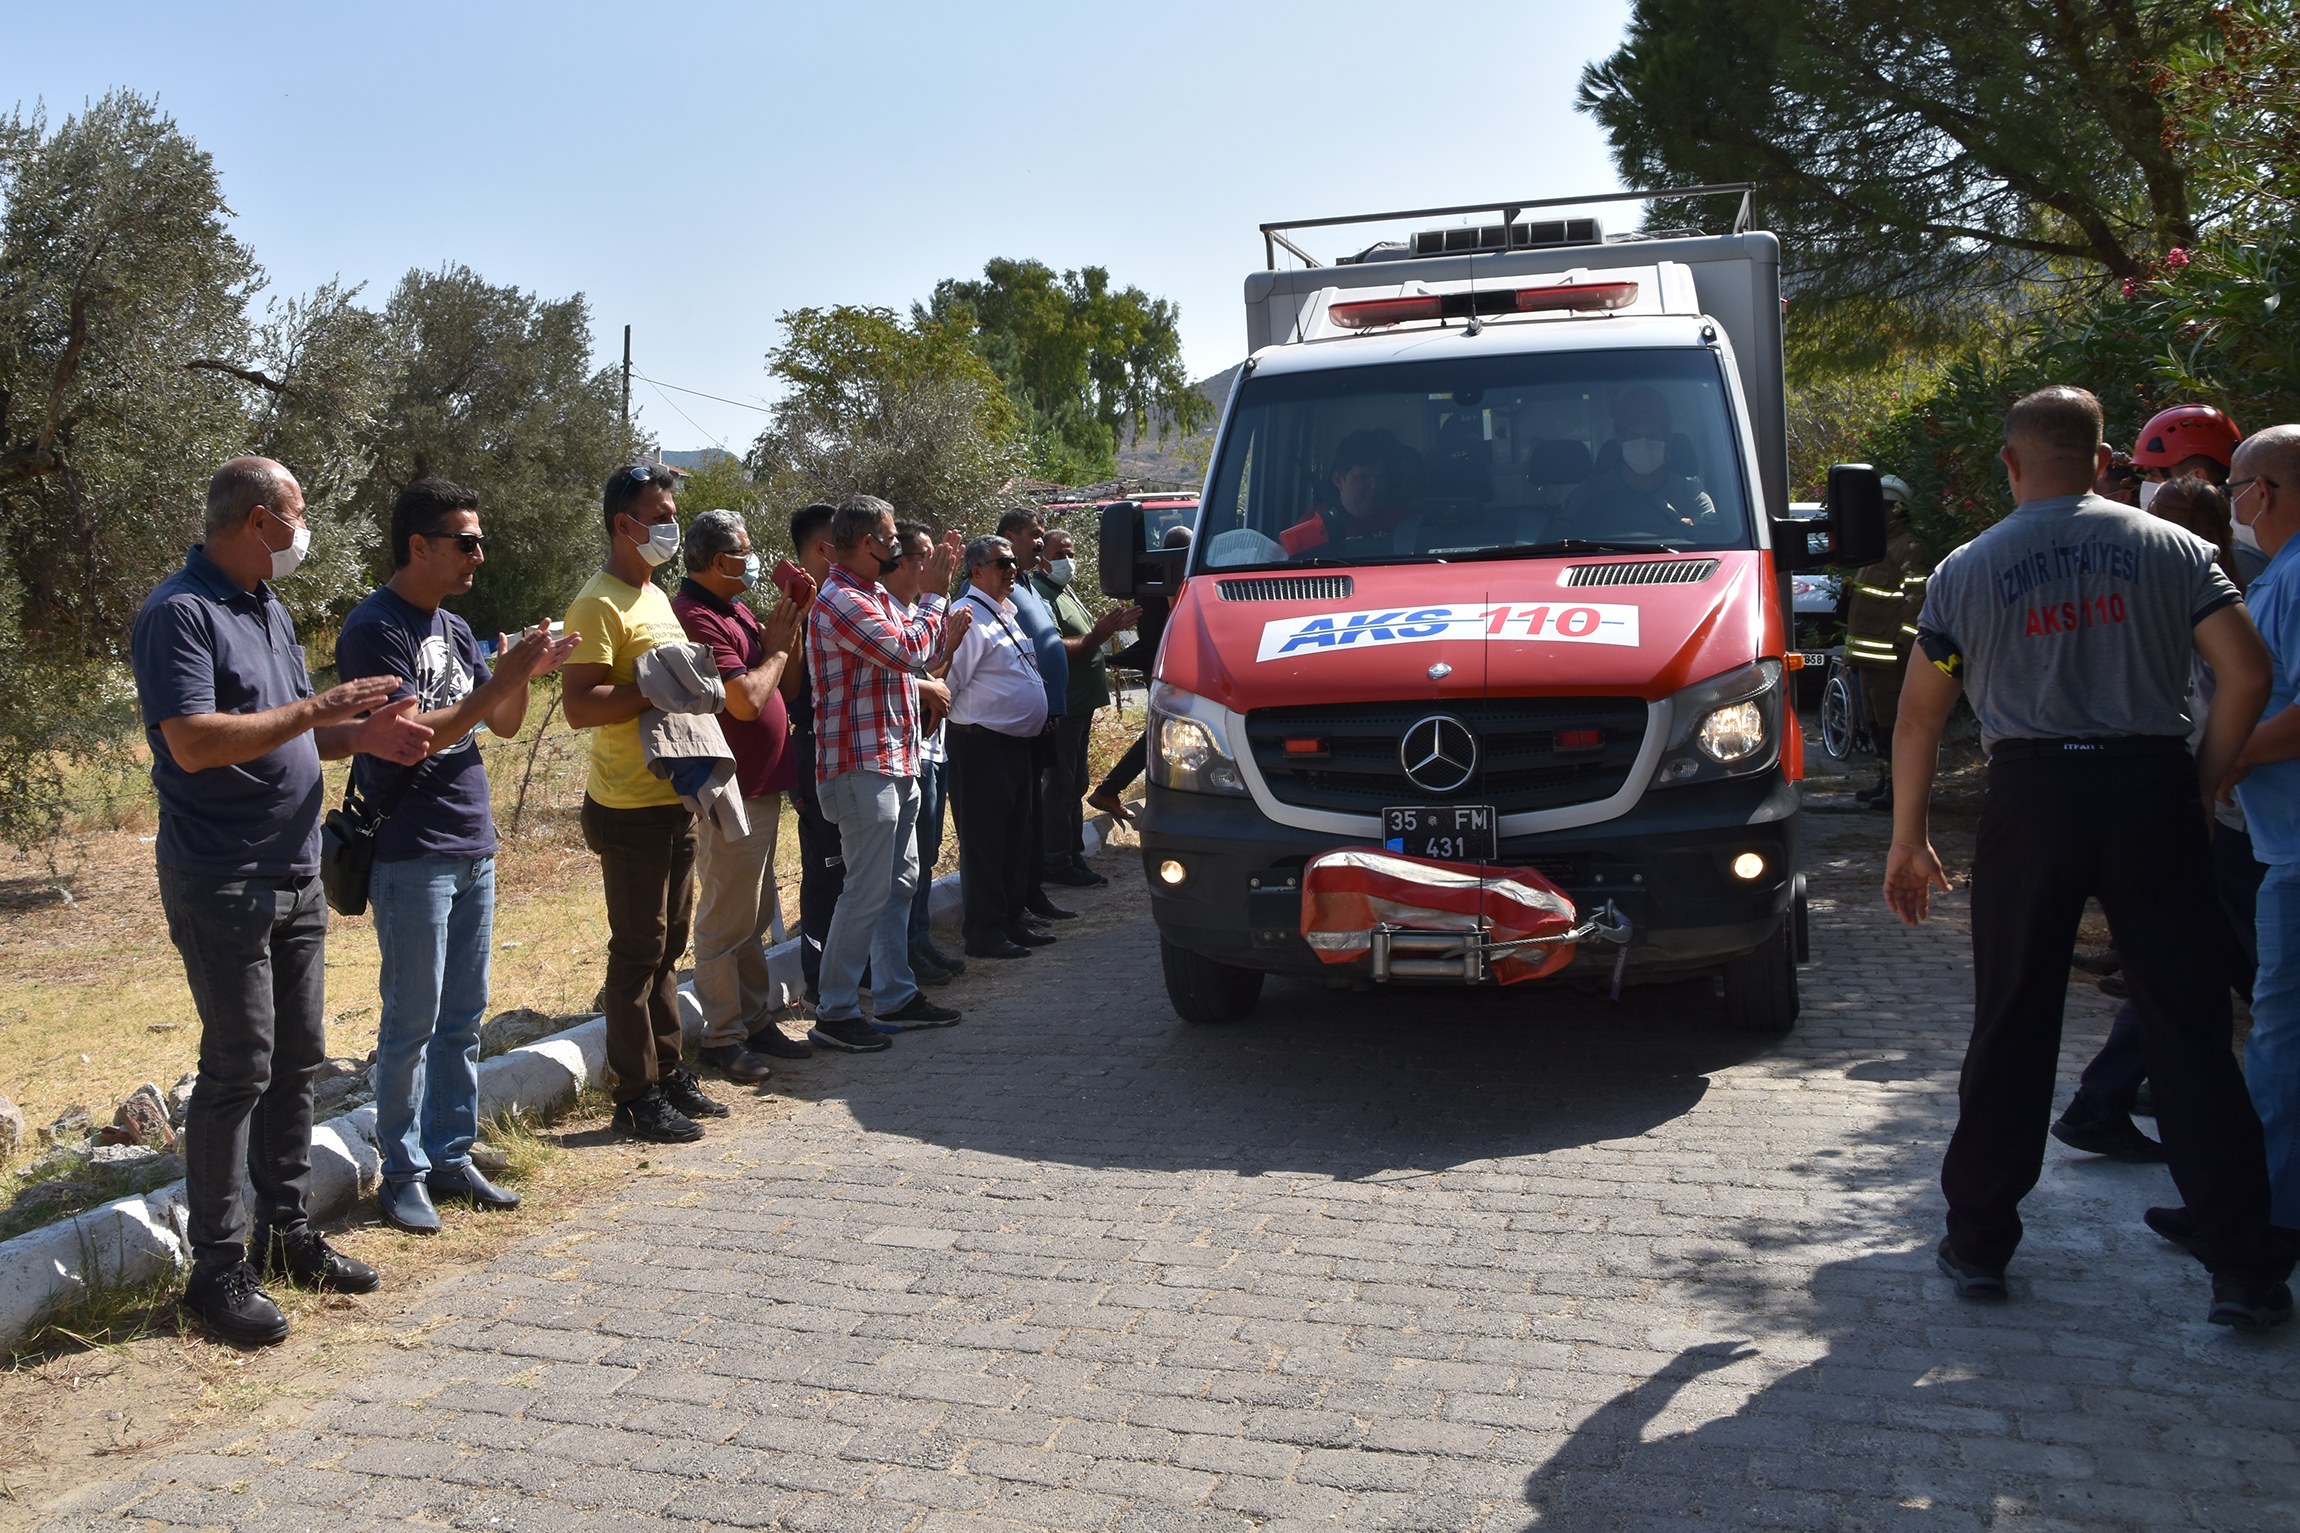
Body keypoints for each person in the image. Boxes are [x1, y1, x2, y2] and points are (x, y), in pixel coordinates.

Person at [1885, 385, 2292, 1330]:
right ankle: (2242, 1271)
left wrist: (1910, 836)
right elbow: (2249, 672)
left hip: (2031, 796)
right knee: (2188, 1027)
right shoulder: (2182, 551)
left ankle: (1980, 1241)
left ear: (2012, 464)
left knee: (2013, 1020)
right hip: (2149, 785)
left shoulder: (1964, 569)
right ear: (2105, 459)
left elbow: (1918, 712)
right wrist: (2205, 773)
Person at [131, 456, 431, 1344]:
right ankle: (217, 1270)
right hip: (222, 876)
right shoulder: (179, 612)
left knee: (297, 1058)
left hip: (296, 870)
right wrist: (317, 711)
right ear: (258, 520)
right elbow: (191, 741)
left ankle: (286, 1230)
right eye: (296, 514)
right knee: (237, 1069)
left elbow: (291, 731)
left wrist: (358, 732)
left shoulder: (264, 602)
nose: (306, 531)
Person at [338, 477, 576, 1235]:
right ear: (420, 545)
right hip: (413, 850)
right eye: (466, 540)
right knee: (412, 1017)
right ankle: (401, 1170)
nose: (480, 552)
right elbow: (412, 734)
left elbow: (498, 723)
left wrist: (523, 676)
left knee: (463, 1014)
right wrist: (497, 680)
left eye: (479, 539)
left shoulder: (453, 622)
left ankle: (450, 1153)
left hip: (472, 842)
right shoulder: (374, 628)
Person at [2054, 479, 2264, 1162]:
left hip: (2208, 804)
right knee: (2200, 977)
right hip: (2224, 810)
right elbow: (2236, 690)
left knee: (2194, 972)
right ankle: (2116, 1106)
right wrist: (2208, 783)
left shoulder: (2178, 581)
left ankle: (2104, 1100)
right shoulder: (2220, 585)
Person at [563, 464, 726, 1144]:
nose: (670, 524)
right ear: (622, 525)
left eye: (673, 512)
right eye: (658, 513)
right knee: (637, 949)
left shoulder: (653, 595)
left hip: (672, 795)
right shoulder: (597, 602)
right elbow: (579, 704)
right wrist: (656, 688)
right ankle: (633, 1095)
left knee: (669, 945)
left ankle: (666, 1071)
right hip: (626, 806)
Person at [806, 495, 969, 1046]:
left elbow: (923, 649)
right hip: (860, 765)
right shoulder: (841, 600)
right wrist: (936, 596)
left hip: (896, 759)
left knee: (898, 882)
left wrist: (932, 605)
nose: (897, 544)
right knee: (865, 889)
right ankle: (835, 1010)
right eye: (890, 533)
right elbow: (910, 652)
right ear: (866, 541)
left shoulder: (872, 594)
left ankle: (895, 994)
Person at [672, 508, 811, 1086]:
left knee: (753, 912)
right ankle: (723, 1035)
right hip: (727, 784)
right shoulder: (697, 617)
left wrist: (792, 629)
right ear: (713, 560)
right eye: (742, 553)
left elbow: (791, 685)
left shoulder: (738, 609)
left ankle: (755, 1020)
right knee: (725, 916)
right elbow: (745, 702)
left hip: (761, 783)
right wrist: (775, 651)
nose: (752, 561)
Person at [2213, 425, 2300, 1251]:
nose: (2232, 503)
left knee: (2280, 1043)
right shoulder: (2279, 577)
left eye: (2236, 486)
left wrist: (2227, 760)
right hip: (2280, 842)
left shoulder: (2297, 578)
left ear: (2261, 493)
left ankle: (2266, 1220)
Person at [946, 535, 1055, 959]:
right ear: (975, 571)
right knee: (986, 843)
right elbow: (949, 686)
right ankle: (984, 932)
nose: (1012, 570)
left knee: (1016, 839)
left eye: (1014, 563)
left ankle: (1011, 919)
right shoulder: (967, 616)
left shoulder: (1003, 613)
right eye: (1002, 564)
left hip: (1013, 746)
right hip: (980, 745)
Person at [1029, 526, 1139, 889]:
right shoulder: (1040, 594)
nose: (1068, 562)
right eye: (1060, 554)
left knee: (1075, 781)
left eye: (1072, 554)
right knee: (1060, 785)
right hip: (1064, 705)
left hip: (1080, 706)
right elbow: (1057, 647)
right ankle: (1056, 861)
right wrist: (1099, 635)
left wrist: (1112, 629)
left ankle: (1071, 853)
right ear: (1042, 557)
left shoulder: (1064, 590)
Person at [882, 519, 967, 984]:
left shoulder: (921, 610)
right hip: (902, 753)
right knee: (901, 865)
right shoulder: (889, 610)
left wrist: (949, 641)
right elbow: (906, 666)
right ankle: (907, 954)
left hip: (931, 749)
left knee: (924, 855)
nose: (934, 567)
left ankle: (921, 942)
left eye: (938, 558)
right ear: (899, 563)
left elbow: (935, 669)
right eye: (924, 558)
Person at [994, 509, 1078, 926]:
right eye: (1034, 535)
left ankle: (1032, 893)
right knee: (1017, 817)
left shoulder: (1027, 584)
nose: (1040, 543)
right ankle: (1013, 904)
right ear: (1010, 536)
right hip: (1009, 725)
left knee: (1032, 813)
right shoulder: (992, 588)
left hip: (1044, 714)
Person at [1089, 524, 1191, 826]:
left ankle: (1114, 790)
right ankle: (1110, 790)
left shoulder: (1153, 574)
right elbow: (1168, 626)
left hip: (1161, 662)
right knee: (1164, 732)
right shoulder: (1171, 579)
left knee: (1164, 733)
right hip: (1168, 665)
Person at [782, 502, 841, 1009]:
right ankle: (820, 980)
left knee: (854, 870)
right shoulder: (792, 608)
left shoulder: (848, 601)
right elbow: (792, 690)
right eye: (842, 542)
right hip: (814, 750)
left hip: (849, 751)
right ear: (824, 547)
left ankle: (853, 970)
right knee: (825, 872)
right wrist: (798, 616)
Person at [1843, 476, 1926, 810]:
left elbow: (1917, 600)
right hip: (1869, 659)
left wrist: (1905, 645)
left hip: (1891, 658)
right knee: (1877, 727)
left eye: (1882, 508)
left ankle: (1898, 790)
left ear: (1898, 508)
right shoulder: (1877, 547)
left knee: (1894, 726)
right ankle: (1885, 782)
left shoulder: (1908, 547)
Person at [1560, 387, 1716, 540]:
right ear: (1621, 444)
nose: (1643, 443)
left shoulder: (1691, 494)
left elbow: (1712, 536)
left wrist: (1691, 527)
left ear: (1667, 443)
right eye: (1634, 436)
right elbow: (1559, 535)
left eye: (1652, 435)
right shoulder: (1589, 494)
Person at [1278, 430, 1413, 558]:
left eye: (1381, 476)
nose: (1374, 485)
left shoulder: (1405, 523)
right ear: (1338, 481)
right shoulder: (1311, 525)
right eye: (1362, 477)